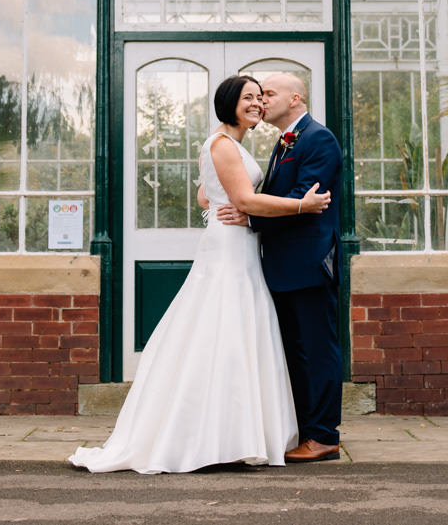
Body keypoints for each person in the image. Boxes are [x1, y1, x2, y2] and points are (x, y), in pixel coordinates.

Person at [69, 74, 331, 474]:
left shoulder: (232, 144)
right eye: (249, 98)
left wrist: (221, 209)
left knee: (235, 335)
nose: (258, 103)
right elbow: (242, 198)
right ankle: (212, 434)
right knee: (223, 333)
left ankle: (234, 431)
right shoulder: (223, 144)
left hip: (240, 246)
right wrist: (301, 206)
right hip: (230, 252)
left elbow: (206, 195)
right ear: (229, 103)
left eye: (261, 97)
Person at [217, 72, 344, 464]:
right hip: (281, 265)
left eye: (269, 93)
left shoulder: (318, 139)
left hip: (308, 263)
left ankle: (324, 436)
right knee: (297, 352)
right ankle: (306, 430)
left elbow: (307, 197)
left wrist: (252, 217)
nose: (261, 100)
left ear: (295, 99)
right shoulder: (284, 142)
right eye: (257, 95)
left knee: (317, 350)